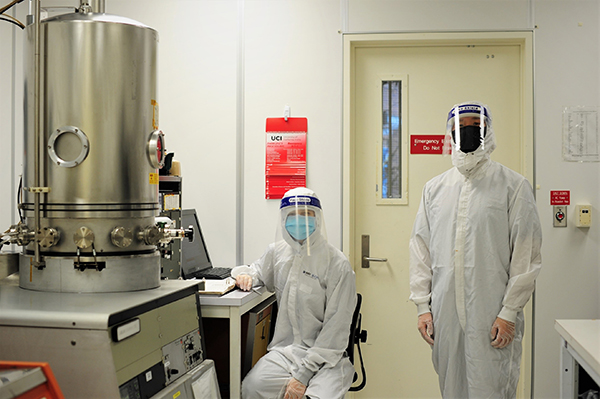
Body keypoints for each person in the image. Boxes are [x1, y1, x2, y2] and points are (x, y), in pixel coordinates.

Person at [409, 101, 542, 398]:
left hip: (493, 313)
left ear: (488, 131)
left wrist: (509, 312)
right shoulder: (434, 189)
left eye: (474, 126)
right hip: (445, 313)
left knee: (491, 387)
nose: (467, 133)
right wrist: (422, 307)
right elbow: (421, 249)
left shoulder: (513, 186)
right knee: (451, 386)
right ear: (450, 134)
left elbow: (526, 254)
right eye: (459, 128)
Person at [232, 187, 357, 399]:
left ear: (317, 219)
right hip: (286, 352)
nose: (299, 221)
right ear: (283, 219)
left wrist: (303, 376)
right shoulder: (277, 253)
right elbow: (258, 272)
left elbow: (336, 329)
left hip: (327, 358)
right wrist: (246, 276)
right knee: (252, 388)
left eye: (306, 214)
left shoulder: (337, 264)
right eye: (292, 215)